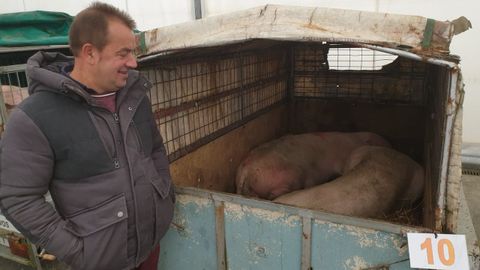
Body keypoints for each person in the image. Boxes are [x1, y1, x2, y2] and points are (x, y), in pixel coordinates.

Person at [0, 2, 175, 270]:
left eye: (133, 53)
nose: (133, 62)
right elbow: (17, 197)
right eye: (124, 53)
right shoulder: (35, 117)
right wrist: (79, 251)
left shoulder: (135, 97)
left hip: (149, 246)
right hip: (99, 262)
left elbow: (155, 150)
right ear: (90, 53)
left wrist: (165, 196)